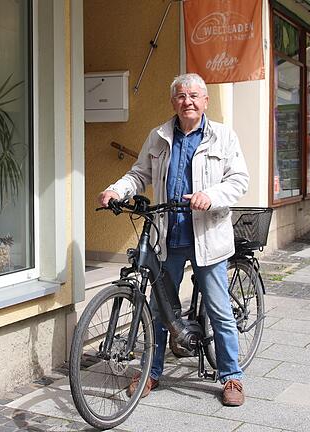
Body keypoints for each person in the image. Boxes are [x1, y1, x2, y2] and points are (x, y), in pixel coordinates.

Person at [97, 73, 250, 406]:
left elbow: (239, 180)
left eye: (194, 96)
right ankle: (151, 372)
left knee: (219, 309)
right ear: (173, 102)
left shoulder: (223, 136)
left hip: (208, 236)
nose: (188, 101)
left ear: (205, 101)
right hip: (170, 235)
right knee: (160, 310)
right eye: (181, 96)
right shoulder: (160, 136)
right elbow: (139, 174)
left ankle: (232, 378)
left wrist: (211, 195)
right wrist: (116, 190)